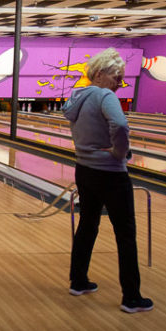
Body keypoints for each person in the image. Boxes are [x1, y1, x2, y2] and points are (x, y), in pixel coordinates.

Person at [63, 48, 152, 313]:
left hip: (85, 170)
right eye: (117, 76)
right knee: (125, 233)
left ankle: (78, 281)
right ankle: (131, 297)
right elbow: (121, 126)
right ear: (100, 73)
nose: (120, 83)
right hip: (111, 174)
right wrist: (119, 152)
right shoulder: (105, 96)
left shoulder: (77, 96)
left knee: (87, 225)